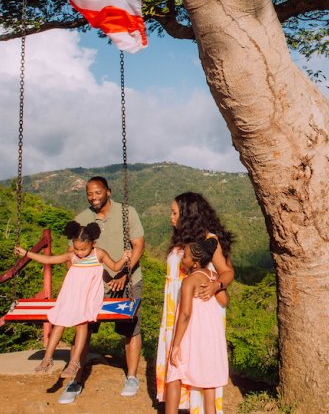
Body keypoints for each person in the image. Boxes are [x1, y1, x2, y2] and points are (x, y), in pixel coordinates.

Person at [63, 176, 145, 403]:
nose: (93, 197)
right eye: (89, 193)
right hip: (93, 286)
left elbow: (138, 244)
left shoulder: (127, 212)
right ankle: (75, 381)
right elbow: (72, 256)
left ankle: (131, 377)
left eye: (98, 192)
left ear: (108, 191)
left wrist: (124, 273)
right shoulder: (82, 219)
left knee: (131, 328)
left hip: (128, 279)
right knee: (84, 330)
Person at [13, 222, 130, 379]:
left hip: (89, 297)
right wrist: (27, 253)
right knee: (59, 322)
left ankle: (74, 362)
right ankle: (47, 358)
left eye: (83, 249)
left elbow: (115, 267)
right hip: (70, 295)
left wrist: (124, 258)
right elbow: (48, 260)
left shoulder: (98, 254)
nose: (80, 253)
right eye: (76, 248)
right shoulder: (72, 255)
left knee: (81, 324)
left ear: (93, 243)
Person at [156, 192, 234, 413]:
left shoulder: (209, 241)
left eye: (175, 213)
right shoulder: (182, 241)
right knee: (175, 360)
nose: (171, 217)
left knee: (199, 359)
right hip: (175, 307)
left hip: (199, 306)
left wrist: (215, 286)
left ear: (188, 215)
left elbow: (227, 272)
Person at [165, 238, 229, 414]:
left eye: (184, 256)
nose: (181, 259)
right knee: (209, 385)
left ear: (194, 262)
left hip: (193, 334)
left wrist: (176, 344)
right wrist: (214, 287)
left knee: (175, 371)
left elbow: (185, 314)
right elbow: (225, 300)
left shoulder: (189, 281)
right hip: (211, 335)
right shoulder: (213, 276)